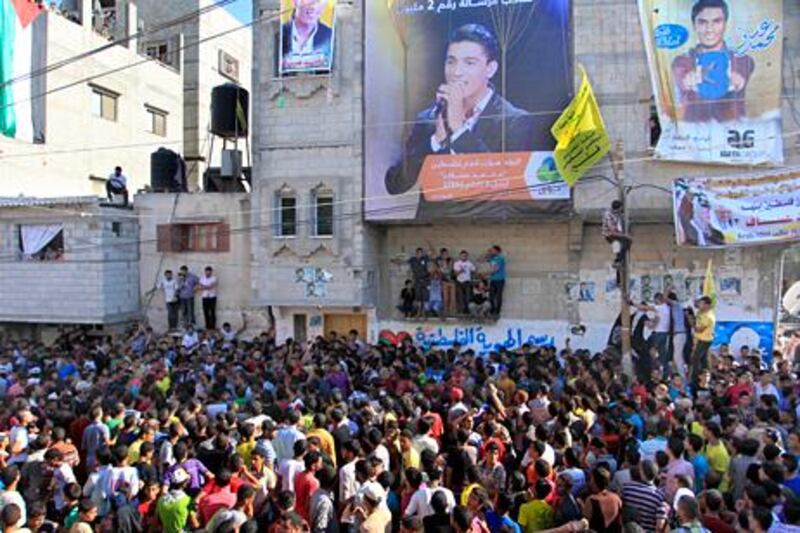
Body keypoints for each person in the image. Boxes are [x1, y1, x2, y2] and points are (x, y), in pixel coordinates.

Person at [384, 24, 537, 216]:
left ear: (490, 69)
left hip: (487, 228)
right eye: (451, 61)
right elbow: (395, 183)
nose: (456, 72)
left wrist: (459, 130)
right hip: (429, 230)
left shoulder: (515, 120)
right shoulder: (428, 118)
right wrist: (433, 143)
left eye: (469, 63)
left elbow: (510, 185)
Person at [671, 0, 755, 123]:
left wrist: (737, 79)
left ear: (725, 24)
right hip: (694, 135)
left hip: (733, 135)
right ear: (694, 25)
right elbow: (683, 77)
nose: (709, 29)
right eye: (702, 22)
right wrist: (689, 79)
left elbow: (741, 75)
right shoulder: (682, 61)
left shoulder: (741, 59)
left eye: (716, 21)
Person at [280, 0, 333, 71]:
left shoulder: (329, 37)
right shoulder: (279, 34)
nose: (313, 7)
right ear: (295, 1)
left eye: (318, 1)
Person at [691, 296, 716, 386]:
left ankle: (696, 379)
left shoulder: (708, 316)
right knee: (703, 360)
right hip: (699, 339)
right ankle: (704, 375)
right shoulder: (702, 312)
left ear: (707, 305)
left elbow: (699, 329)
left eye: (702, 303)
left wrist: (692, 323)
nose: (699, 305)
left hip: (704, 340)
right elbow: (696, 306)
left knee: (696, 359)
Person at [408, 248, 431, 318]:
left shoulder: (425, 258)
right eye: (418, 253)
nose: (420, 254)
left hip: (425, 280)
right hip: (417, 280)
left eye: (421, 253)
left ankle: (424, 313)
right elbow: (405, 261)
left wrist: (430, 250)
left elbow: (431, 253)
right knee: (418, 297)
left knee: (425, 297)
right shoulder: (413, 260)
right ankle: (418, 312)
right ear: (416, 253)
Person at [453, 250, 476, 315]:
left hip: (467, 282)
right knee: (460, 297)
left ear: (467, 256)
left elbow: (474, 270)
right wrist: (461, 270)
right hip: (459, 282)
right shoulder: (456, 263)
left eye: (465, 256)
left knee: (467, 297)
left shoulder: (469, 263)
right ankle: (461, 310)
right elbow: (455, 274)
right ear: (460, 256)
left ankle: (467, 310)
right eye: (463, 256)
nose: (464, 257)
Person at [487, 246, 506, 316]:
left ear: (497, 251)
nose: (492, 251)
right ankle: (492, 310)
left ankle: (497, 311)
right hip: (493, 280)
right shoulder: (492, 258)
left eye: (493, 250)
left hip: (500, 280)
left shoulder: (500, 258)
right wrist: (487, 253)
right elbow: (479, 260)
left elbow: (496, 269)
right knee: (491, 296)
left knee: (498, 296)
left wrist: (486, 273)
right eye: (491, 250)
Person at [198, 266, 218, 331]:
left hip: (212, 297)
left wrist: (203, 287)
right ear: (205, 272)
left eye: (209, 272)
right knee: (206, 312)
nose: (208, 273)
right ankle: (207, 327)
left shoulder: (214, 278)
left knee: (212, 312)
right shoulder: (202, 278)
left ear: (211, 272)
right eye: (207, 272)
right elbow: (200, 286)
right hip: (205, 297)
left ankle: (213, 327)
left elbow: (211, 286)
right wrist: (206, 287)